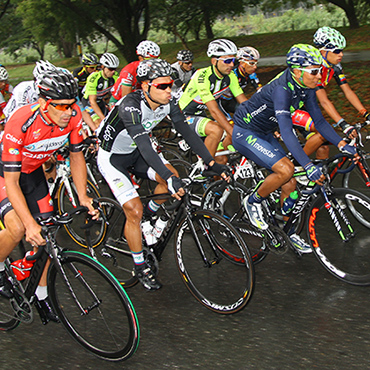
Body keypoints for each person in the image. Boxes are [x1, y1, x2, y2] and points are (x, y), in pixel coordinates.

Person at [96, 59, 229, 290]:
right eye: (163, 86)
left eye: (171, 85)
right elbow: (146, 147)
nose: (169, 90)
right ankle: (139, 265)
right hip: (113, 158)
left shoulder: (169, 101)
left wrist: (210, 162)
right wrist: (168, 178)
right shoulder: (130, 106)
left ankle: (151, 213)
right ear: (145, 86)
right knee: (134, 210)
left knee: (171, 175)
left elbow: (186, 132)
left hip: (135, 152)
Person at [232, 44, 357, 254]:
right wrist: (307, 165)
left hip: (265, 132)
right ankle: (252, 201)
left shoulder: (305, 86)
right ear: (297, 71)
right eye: (314, 71)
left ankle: (289, 232)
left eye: (321, 70)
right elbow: (287, 131)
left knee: (289, 183)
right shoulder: (282, 89)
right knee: (287, 170)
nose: (319, 76)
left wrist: (342, 144)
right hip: (245, 132)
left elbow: (319, 121)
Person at [0, 69, 97, 322]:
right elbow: (11, 181)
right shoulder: (21, 121)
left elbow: (76, 157)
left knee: (47, 234)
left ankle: (41, 295)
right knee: (19, 228)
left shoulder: (73, 116)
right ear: (43, 103)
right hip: (5, 175)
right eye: (61, 106)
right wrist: (29, 224)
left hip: (32, 174)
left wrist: (83, 196)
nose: (68, 112)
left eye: (71, 104)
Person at [294, 27, 370, 158]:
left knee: (323, 147)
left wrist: (365, 113)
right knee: (324, 132)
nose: (341, 54)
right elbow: (323, 100)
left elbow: (348, 91)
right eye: (337, 51)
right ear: (323, 51)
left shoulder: (334, 67)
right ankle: (295, 165)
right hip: (292, 107)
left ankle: (318, 179)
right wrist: (342, 123)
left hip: (307, 107)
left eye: (341, 51)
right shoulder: (315, 67)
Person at [179, 39, 247, 164]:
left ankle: (216, 179)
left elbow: (244, 103)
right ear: (214, 61)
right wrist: (231, 131)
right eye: (227, 61)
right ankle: (207, 167)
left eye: (233, 61)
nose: (231, 65)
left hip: (200, 115)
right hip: (182, 115)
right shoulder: (202, 76)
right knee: (217, 129)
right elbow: (214, 110)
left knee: (221, 159)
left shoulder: (231, 76)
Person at [110, 40, 161, 105]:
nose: (155, 62)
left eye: (157, 58)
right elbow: (126, 100)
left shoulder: (154, 69)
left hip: (138, 97)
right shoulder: (129, 71)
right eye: (151, 59)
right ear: (140, 58)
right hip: (118, 100)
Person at [218, 46, 262, 119]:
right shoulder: (231, 74)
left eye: (256, 63)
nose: (255, 67)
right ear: (242, 63)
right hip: (219, 102)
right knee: (229, 125)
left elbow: (260, 89)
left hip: (231, 100)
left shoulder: (251, 74)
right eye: (251, 63)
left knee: (251, 116)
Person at [82, 52, 119, 126]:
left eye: (115, 69)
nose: (113, 72)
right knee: (99, 123)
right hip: (89, 102)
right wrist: (103, 119)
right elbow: (92, 101)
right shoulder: (94, 78)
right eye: (110, 69)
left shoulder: (115, 77)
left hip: (101, 101)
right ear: (102, 66)